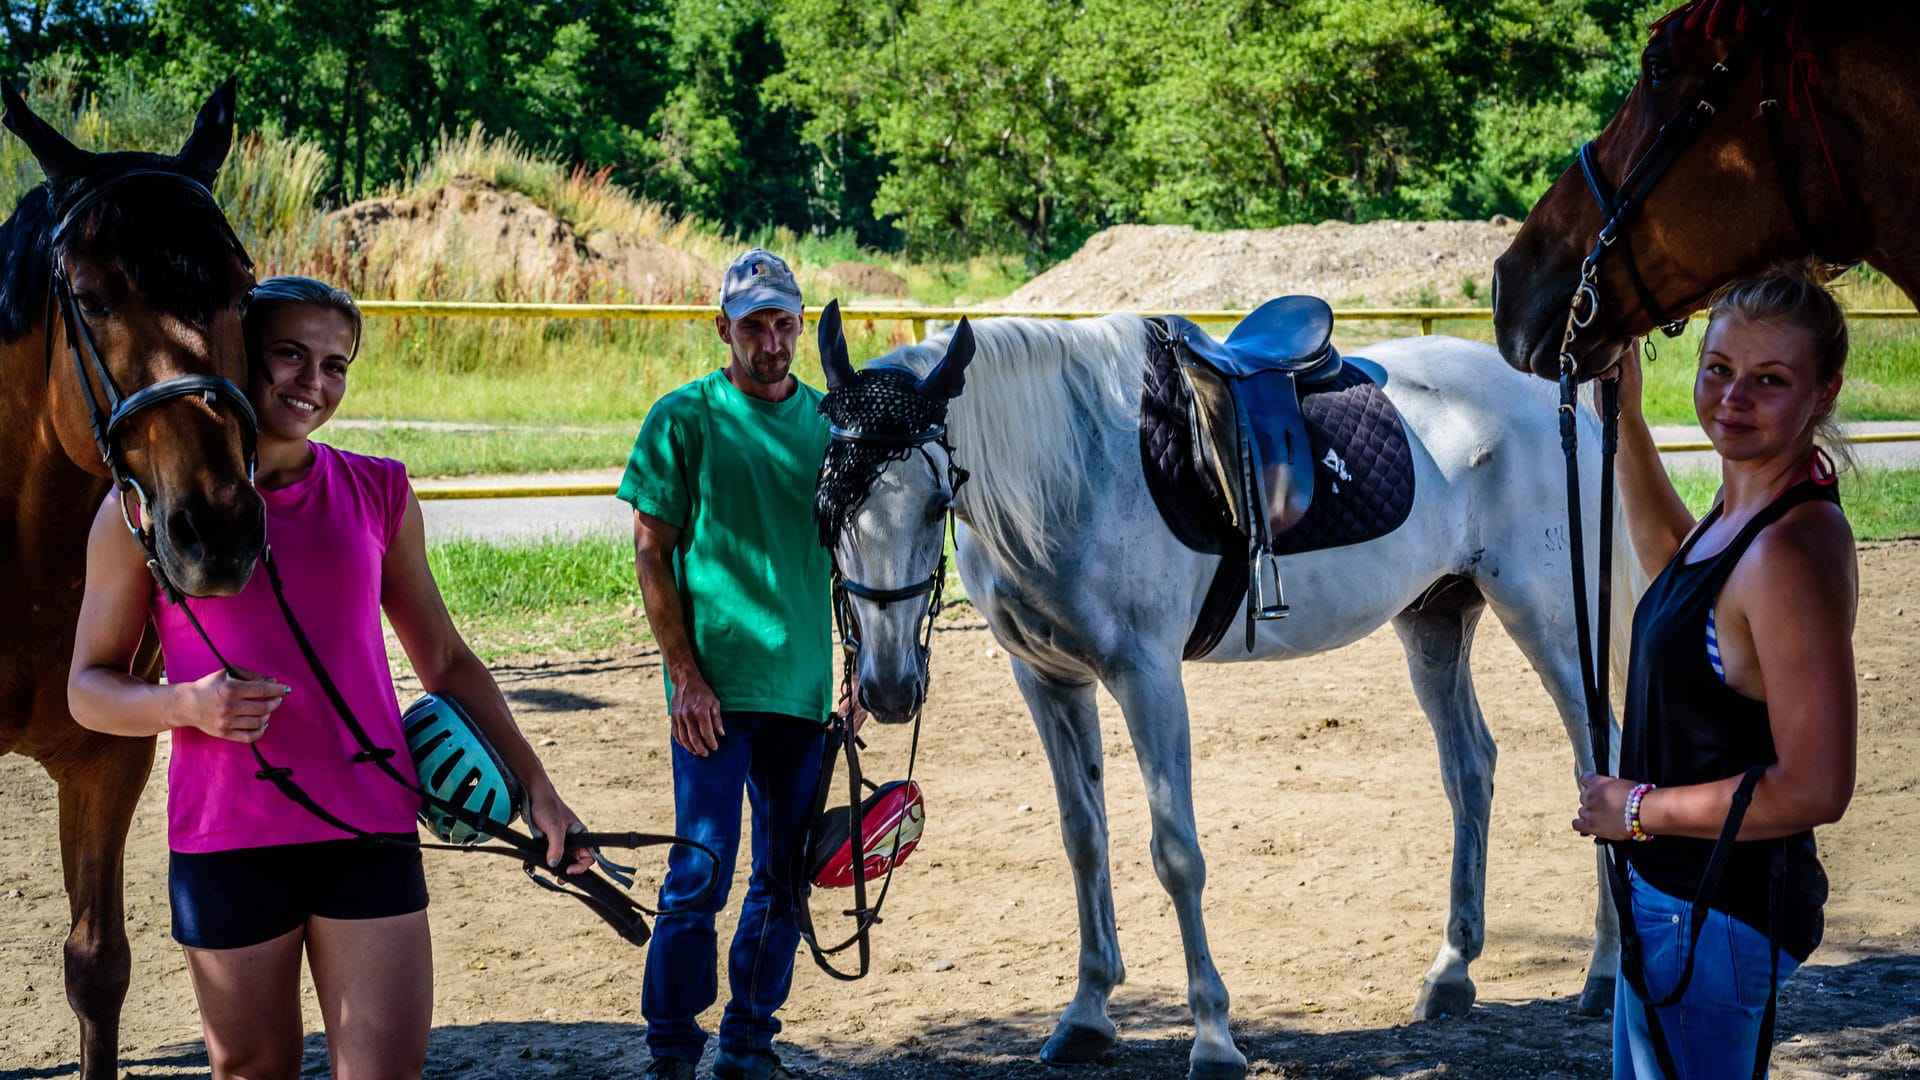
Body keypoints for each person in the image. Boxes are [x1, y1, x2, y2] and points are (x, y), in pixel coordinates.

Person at [69, 276, 594, 1080]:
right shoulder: (143, 512)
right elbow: (89, 689)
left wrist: (539, 788)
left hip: (369, 828)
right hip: (227, 838)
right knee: (252, 1071)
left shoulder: (378, 490)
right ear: (241, 354)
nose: (313, 382)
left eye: (335, 364)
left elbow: (446, 659)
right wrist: (188, 706)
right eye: (289, 354)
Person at [1572, 263, 1859, 1079]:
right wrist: (1625, 416)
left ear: (1825, 391)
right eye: (1719, 370)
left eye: (1769, 380)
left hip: (1711, 915)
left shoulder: (1786, 555)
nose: (1733, 398)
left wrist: (1638, 807)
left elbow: (1816, 786)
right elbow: (1680, 575)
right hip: (1678, 900)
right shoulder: (1748, 515)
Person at [621, 249, 854, 1080]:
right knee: (700, 873)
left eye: (784, 322)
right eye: (753, 324)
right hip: (713, 696)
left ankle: (749, 1043)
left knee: (785, 877)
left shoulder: (832, 425)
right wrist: (685, 675)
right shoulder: (684, 418)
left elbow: (859, 554)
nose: (771, 339)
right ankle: (672, 1053)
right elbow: (651, 550)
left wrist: (857, 670)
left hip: (803, 691)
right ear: (723, 329)